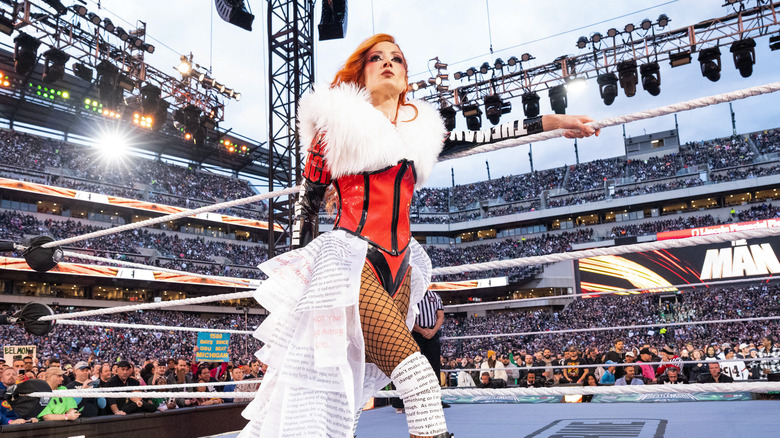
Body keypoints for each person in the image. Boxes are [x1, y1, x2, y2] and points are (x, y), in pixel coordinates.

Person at [238, 33, 598, 438]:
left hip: (402, 267)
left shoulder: (422, 134)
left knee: (353, 392)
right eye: (376, 58)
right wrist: (298, 293)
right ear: (362, 71)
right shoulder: (334, 127)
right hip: (348, 262)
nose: (387, 63)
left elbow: (493, 135)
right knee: (417, 377)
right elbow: (307, 205)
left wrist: (555, 124)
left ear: (407, 77)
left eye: (397, 58)